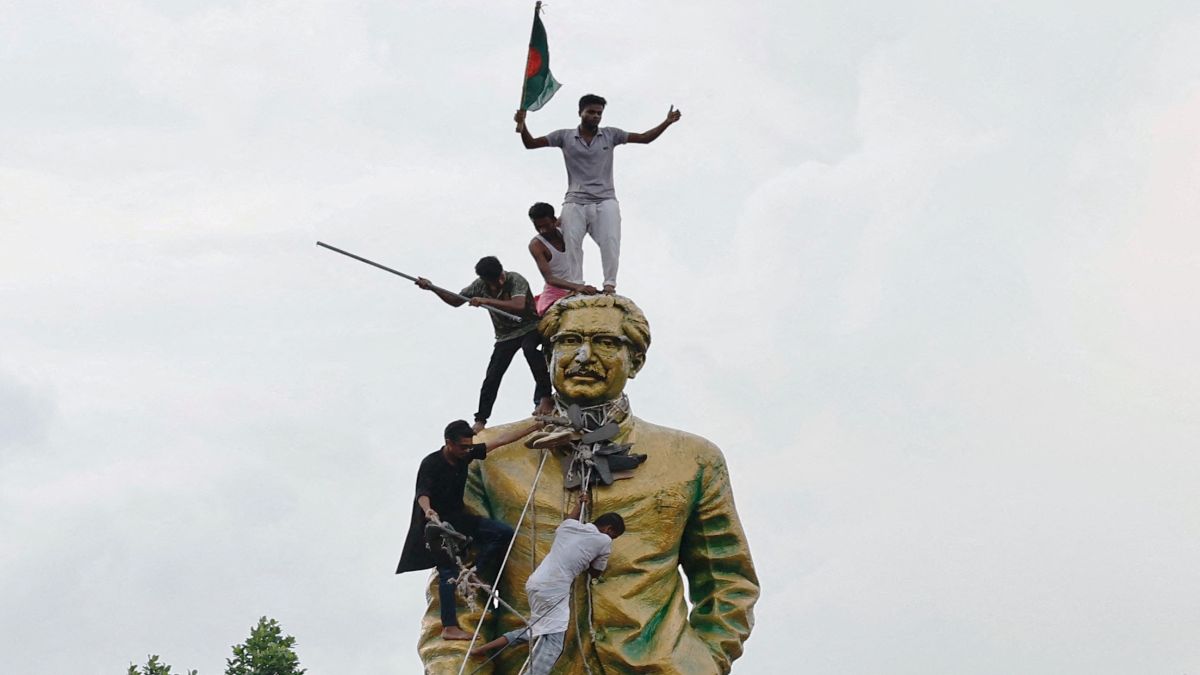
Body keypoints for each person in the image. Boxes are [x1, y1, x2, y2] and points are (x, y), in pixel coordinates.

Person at [418, 295, 759, 674]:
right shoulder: (489, 459)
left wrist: (704, 661)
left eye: (607, 342)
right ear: (547, 357)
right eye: (568, 341)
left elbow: (727, 581)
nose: (583, 356)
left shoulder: (693, 460)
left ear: (636, 361)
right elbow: (460, 586)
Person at [514, 94, 682, 295]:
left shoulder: (610, 135)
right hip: (575, 200)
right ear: (580, 113)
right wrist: (522, 125)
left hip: (605, 199)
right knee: (572, 241)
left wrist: (667, 122)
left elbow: (644, 138)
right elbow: (531, 144)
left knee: (611, 241)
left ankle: (609, 284)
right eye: (591, 112)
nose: (595, 116)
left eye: (599, 113)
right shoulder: (564, 136)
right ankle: (577, 284)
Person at [396, 418, 541, 640]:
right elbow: (422, 493)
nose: (467, 450)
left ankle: (476, 574)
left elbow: (500, 441)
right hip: (437, 525)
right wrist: (428, 511)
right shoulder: (432, 463)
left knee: (503, 533)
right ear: (448, 443)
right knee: (447, 572)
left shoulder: (465, 454)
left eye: (469, 446)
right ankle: (449, 627)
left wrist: (534, 427)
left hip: (459, 518)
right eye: (462, 446)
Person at [469, 491, 624, 675]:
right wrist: (589, 560)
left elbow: (568, 520)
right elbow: (595, 572)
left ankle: (481, 649)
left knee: (533, 630)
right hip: (555, 589)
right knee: (554, 645)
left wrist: (579, 505)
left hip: (535, 583)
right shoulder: (604, 540)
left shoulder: (568, 527)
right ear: (609, 530)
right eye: (614, 536)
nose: (611, 539)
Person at [416, 256, 553, 432]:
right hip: (505, 335)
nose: (499, 283)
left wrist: (486, 301)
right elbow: (456, 301)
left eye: (500, 278)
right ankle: (481, 419)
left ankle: (545, 396)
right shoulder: (479, 285)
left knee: (530, 349)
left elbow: (518, 305)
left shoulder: (515, 279)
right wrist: (433, 288)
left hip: (529, 327)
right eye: (495, 282)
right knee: (493, 374)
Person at [526, 202, 599, 315]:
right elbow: (550, 279)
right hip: (555, 293)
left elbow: (575, 207)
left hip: (576, 287)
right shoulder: (537, 245)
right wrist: (578, 287)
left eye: (546, 225)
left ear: (554, 220)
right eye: (538, 227)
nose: (543, 231)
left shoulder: (564, 227)